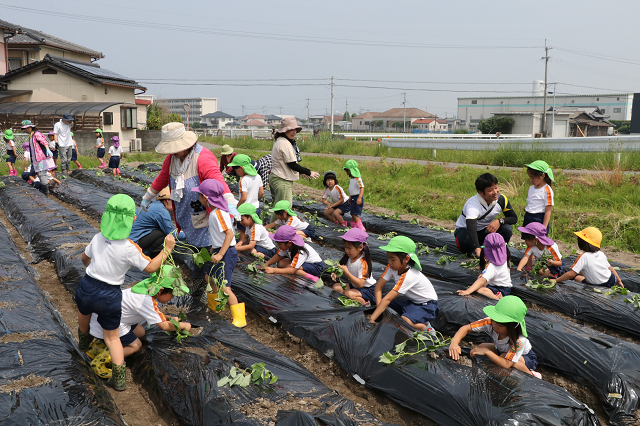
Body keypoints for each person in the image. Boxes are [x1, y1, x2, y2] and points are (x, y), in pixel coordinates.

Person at [75, 194, 176, 391]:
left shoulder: (98, 237)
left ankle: (83, 343)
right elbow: (150, 268)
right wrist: (167, 249)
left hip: (87, 285)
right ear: (133, 219)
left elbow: (84, 259)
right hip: (109, 295)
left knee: (83, 314)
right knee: (112, 337)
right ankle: (119, 379)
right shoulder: (129, 247)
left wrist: (92, 264)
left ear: (107, 217)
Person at [142, 122, 235, 301]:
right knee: (197, 257)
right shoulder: (172, 160)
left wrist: (230, 205)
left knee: (208, 260)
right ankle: (200, 293)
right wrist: (148, 196)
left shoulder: (203, 158)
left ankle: (209, 294)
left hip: (206, 219)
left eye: (174, 148)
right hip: (187, 219)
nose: (172, 152)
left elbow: (218, 181)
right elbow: (162, 178)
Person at [87, 265, 192, 377]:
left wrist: (169, 318)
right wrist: (183, 326)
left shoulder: (145, 287)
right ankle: (105, 358)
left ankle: (98, 346)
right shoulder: (146, 301)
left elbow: (155, 314)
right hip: (111, 323)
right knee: (136, 345)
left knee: (140, 332)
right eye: (171, 295)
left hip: (110, 317)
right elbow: (165, 326)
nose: (172, 298)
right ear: (161, 290)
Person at [191, 179, 245, 327]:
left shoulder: (219, 213)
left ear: (206, 198)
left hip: (226, 253)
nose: (199, 198)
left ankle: (240, 319)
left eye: (200, 195)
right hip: (218, 250)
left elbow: (229, 235)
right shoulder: (215, 212)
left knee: (224, 287)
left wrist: (220, 254)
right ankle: (215, 307)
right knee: (209, 278)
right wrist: (214, 249)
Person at [448, 295, 541, 378]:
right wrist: (454, 343)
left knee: (505, 358)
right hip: (502, 350)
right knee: (481, 347)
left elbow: (507, 364)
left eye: (500, 325)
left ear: (511, 327)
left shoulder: (518, 341)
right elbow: (466, 328)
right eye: (494, 321)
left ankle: (531, 374)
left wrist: (487, 352)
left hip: (525, 357)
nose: (494, 326)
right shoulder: (490, 322)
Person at [369, 236, 439, 331]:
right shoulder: (391, 267)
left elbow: (388, 298)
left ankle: (424, 327)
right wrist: (379, 308)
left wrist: (372, 319)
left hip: (428, 306)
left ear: (406, 259)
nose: (389, 262)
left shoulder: (409, 275)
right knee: (383, 307)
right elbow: (378, 287)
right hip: (413, 303)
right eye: (388, 258)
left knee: (403, 321)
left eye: (393, 259)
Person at [454, 173, 518, 257]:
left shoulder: (501, 200)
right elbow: (471, 228)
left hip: (485, 230)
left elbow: (514, 218)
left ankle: (496, 250)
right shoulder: (473, 205)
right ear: (481, 192)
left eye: (496, 187)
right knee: (464, 240)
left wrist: (499, 221)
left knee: (507, 229)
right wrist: (477, 248)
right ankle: (473, 251)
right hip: (467, 232)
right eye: (490, 190)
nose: (495, 192)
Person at [269, 117, 319, 221]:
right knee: (283, 208)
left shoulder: (281, 141)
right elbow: (291, 164)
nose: (293, 132)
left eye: (294, 130)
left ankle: (275, 230)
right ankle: (275, 231)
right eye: (290, 130)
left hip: (279, 177)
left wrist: (301, 173)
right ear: (284, 130)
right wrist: (308, 172)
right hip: (281, 179)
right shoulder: (284, 143)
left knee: (280, 207)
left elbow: (286, 163)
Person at [554, 227, 623, 287]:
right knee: (583, 271)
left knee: (577, 278)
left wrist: (556, 280)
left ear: (582, 243)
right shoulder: (601, 254)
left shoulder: (583, 257)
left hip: (598, 286)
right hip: (611, 280)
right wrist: (619, 281)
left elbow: (571, 274)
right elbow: (611, 269)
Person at [457, 233, 512, 300]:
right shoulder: (506, 260)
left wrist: (468, 291)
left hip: (498, 289)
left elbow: (482, 280)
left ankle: (497, 298)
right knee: (481, 279)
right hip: (507, 289)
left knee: (480, 290)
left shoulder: (492, 266)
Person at [129, 187, 178, 256]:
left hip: (128, 239)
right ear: (167, 201)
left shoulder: (155, 205)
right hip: (133, 242)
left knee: (161, 229)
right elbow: (172, 233)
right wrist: (189, 235)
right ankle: (144, 255)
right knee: (162, 234)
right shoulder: (162, 211)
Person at [334, 229, 376, 306]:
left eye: (349, 248)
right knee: (336, 287)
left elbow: (360, 284)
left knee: (349, 294)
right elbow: (341, 271)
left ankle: (366, 304)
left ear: (360, 248)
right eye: (345, 247)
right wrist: (336, 274)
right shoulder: (349, 258)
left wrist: (346, 273)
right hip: (355, 287)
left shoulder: (363, 262)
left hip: (368, 290)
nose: (346, 250)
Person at [228, 154, 264, 238]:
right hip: (256, 208)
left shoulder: (243, 180)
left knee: (242, 233)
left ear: (241, 168)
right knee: (253, 231)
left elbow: (243, 198)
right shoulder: (258, 176)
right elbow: (262, 193)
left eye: (235, 169)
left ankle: (242, 248)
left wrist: (237, 208)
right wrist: (255, 199)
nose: (235, 172)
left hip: (244, 211)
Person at [21, 120, 55, 195]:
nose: (26, 130)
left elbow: (43, 141)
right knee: (39, 174)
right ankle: (45, 189)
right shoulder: (31, 136)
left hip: (41, 159)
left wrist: (47, 149)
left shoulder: (36, 134)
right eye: (25, 129)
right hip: (36, 160)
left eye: (27, 128)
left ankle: (46, 192)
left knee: (41, 174)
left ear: (31, 127)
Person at [523, 160, 554, 231]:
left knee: (538, 241)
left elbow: (548, 210)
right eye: (530, 177)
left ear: (542, 176)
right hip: (528, 217)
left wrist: (544, 227)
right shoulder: (531, 188)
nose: (531, 180)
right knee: (528, 240)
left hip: (539, 218)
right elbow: (529, 204)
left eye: (533, 177)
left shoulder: (547, 190)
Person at [343, 160, 366, 230]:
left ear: (349, 170)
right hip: (353, 198)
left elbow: (361, 188)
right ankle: (354, 228)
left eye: (347, 171)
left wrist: (359, 198)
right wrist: (350, 197)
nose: (347, 173)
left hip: (357, 198)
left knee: (354, 214)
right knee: (352, 213)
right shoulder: (352, 179)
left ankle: (361, 228)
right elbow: (353, 190)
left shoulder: (357, 179)